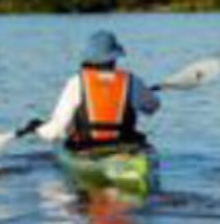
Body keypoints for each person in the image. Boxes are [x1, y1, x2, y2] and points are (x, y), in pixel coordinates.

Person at [20, 30, 160, 151]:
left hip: (86, 148)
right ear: (114, 58)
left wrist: (37, 129)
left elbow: (57, 130)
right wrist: (145, 92)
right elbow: (153, 107)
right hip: (124, 147)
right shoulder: (132, 81)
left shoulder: (76, 83)